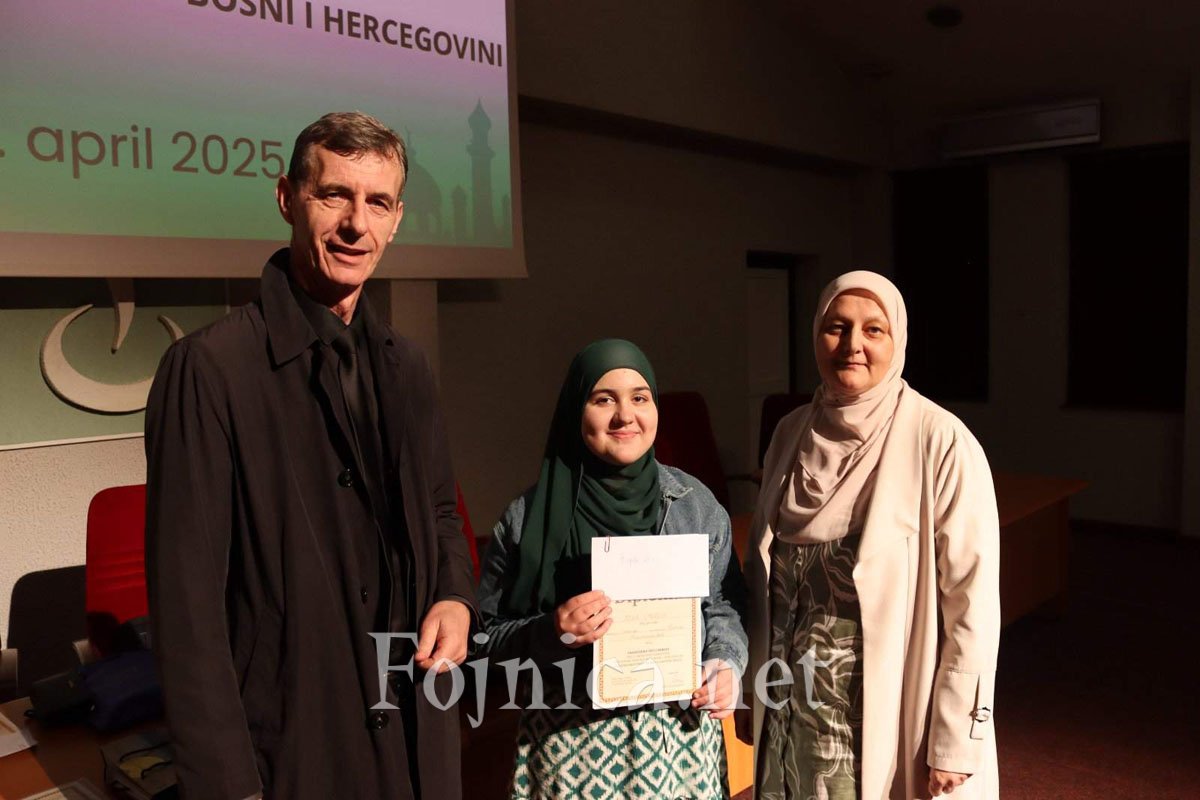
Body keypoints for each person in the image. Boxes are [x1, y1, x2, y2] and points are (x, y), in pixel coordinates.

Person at [144, 111, 476, 800]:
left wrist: (453, 595)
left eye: (378, 202)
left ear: (397, 219)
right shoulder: (208, 369)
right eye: (334, 196)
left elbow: (443, 510)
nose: (356, 224)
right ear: (287, 198)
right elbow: (187, 607)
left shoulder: (409, 366)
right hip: (294, 749)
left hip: (417, 723)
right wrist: (228, 789)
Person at [745, 271, 1000, 800]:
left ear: (897, 339)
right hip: (789, 706)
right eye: (836, 327)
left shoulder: (940, 440)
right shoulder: (790, 432)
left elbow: (972, 602)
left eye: (873, 330)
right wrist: (753, 690)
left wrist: (955, 737)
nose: (852, 345)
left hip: (878, 713)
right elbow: (761, 578)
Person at [476, 339, 749, 799]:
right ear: (575, 410)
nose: (625, 416)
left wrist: (725, 663)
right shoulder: (527, 519)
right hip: (570, 754)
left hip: (678, 751)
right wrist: (550, 630)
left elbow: (723, 602)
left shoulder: (694, 505)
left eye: (640, 398)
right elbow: (483, 641)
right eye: (604, 400)